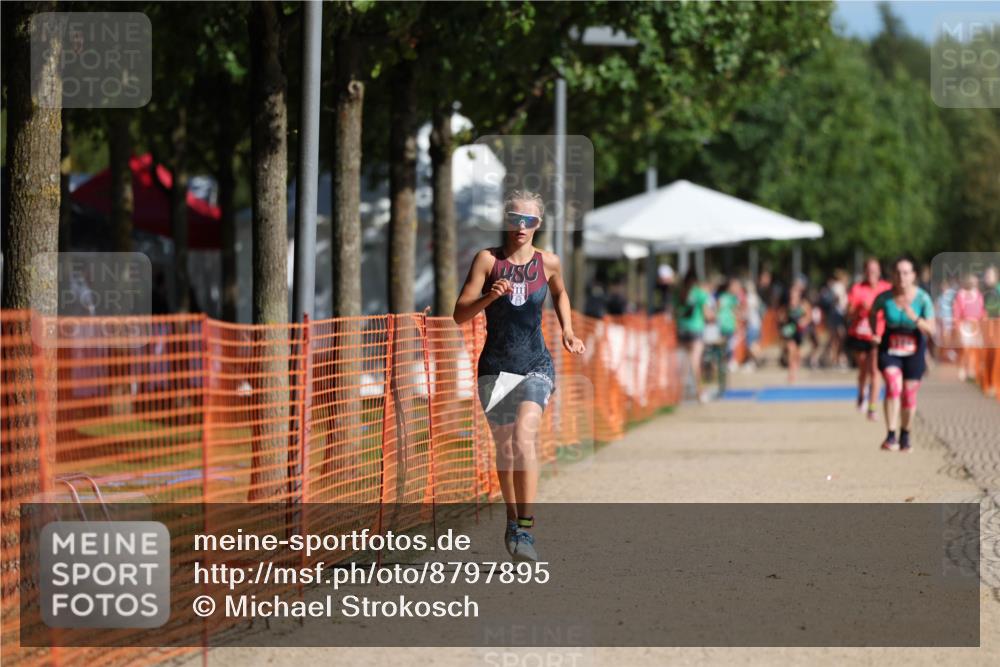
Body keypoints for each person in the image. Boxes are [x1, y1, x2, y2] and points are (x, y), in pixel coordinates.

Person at [453, 189, 585, 562]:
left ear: (538, 224)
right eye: (515, 219)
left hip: (535, 365)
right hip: (495, 366)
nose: (521, 226)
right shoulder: (487, 260)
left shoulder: (549, 262)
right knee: (506, 447)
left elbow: (560, 294)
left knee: (525, 437)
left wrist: (568, 330)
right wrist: (488, 298)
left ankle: (525, 528)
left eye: (529, 220)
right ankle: (512, 521)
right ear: (505, 221)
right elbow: (459, 314)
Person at [869, 256, 936, 453]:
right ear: (892, 275)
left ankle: (905, 434)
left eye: (906, 273)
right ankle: (890, 435)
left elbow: (931, 329)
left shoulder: (923, 299)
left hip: (914, 349)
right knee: (892, 384)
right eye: (898, 273)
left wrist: (915, 318)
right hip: (890, 348)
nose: (901, 277)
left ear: (913, 275)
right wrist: (875, 332)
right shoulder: (885, 297)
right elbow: (872, 313)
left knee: (908, 394)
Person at [845, 258, 891, 420]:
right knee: (864, 370)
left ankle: (872, 407)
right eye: (869, 270)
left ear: (879, 272)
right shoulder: (857, 289)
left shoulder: (886, 288)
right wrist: (858, 308)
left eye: (875, 270)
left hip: (877, 335)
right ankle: (861, 393)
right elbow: (848, 313)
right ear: (865, 272)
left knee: (874, 370)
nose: (872, 273)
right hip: (859, 334)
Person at [674, 269, 714, 403]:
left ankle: (679, 393)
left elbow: (675, 312)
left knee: (683, 363)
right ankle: (699, 391)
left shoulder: (679, 293)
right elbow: (707, 314)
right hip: (696, 329)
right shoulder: (700, 294)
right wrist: (713, 316)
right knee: (695, 362)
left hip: (682, 329)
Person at [952, 272, 985, 381]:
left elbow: (981, 309)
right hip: (965, 324)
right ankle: (962, 368)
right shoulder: (961, 294)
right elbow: (957, 310)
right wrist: (957, 323)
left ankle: (971, 370)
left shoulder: (978, 294)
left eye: (975, 281)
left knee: (973, 349)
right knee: (965, 348)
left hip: (976, 324)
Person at [779, 283, 811, 383]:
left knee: (796, 353)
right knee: (790, 349)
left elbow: (809, 317)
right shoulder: (787, 304)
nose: (793, 295)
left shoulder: (804, 304)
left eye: (795, 293)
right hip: (790, 330)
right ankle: (791, 373)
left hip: (799, 332)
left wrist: (804, 321)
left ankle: (795, 368)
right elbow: (782, 316)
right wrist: (782, 323)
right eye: (792, 293)